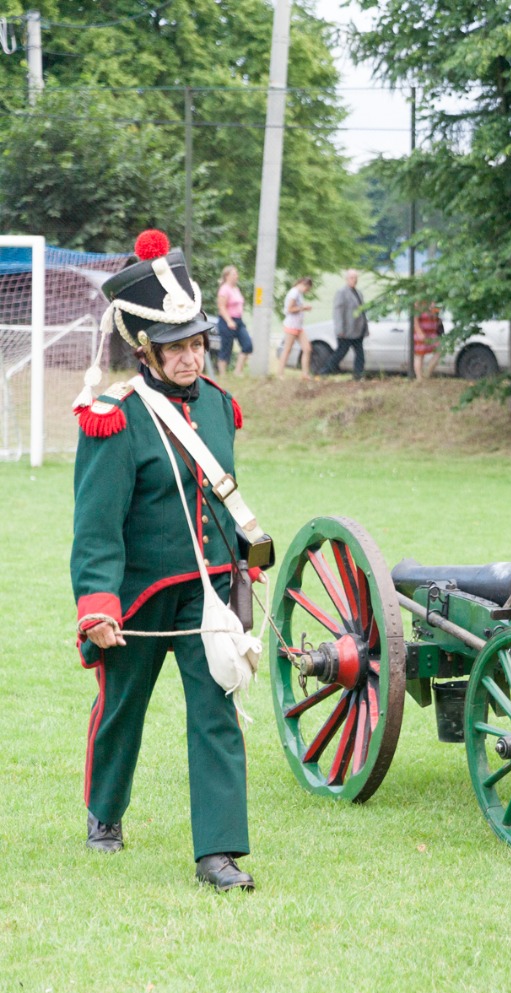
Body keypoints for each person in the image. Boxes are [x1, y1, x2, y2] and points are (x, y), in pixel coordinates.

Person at [70, 229, 256, 892]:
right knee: (123, 710)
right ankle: (105, 815)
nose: (191, 356)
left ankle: (217, 854)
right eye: (177, 346)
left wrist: (243, 565)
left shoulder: (219, 406)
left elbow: (221, 494)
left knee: (216, 711)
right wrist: (97, 606)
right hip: (141, 596)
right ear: (145, 348)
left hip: (204, 592)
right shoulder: (113, 418)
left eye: (197, 342)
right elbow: (96, 529)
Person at [329, 269, 369, 380]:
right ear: (347, 279)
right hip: (346, 331)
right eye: (352, 277)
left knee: (360, 354)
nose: (354, 280)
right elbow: (338, 312)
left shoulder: (358, 293)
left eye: (355, 277)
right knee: (340, 353)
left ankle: (358, 375)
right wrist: (339, 329)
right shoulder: (342, 292)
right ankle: (324, 371)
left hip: (358, 330)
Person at [273, 275, 314, 379]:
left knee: (307, 348)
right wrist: (303, 308)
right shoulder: (294, 293)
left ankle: (305, 374)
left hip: (298, 326)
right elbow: (289, 309)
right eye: (307, 289)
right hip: (291, 325)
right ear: (304, 284)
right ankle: (280, 373)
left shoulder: (299, 294)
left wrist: (303, 308)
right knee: (287, 349)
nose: (307, 291)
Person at [215, 265, 252, 376]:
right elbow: (221, 307)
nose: (237, 276)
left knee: (247, 345)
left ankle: (238, 371)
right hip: (227, 320)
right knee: (226, 348)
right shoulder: (224, 289)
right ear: (227, 276)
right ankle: (223, 374)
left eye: (236, 274)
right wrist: (229, 321)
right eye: (234, 274)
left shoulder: (236, 289)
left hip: (238, 321)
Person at [414, 302, 444, 380]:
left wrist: (433, 309)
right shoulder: (418, 304)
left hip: (432, 333)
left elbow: (437, 318)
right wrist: (419, 332)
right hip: (422, 332)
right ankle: (419, 378)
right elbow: (415, 320)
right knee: (420, 355)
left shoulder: (433, 304)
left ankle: (427, 373)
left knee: (439, 351)